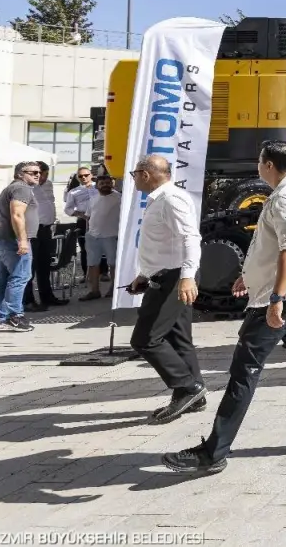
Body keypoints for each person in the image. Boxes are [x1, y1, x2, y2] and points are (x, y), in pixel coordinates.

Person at [164, 141, 286, 475]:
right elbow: (272, 245)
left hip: (283, 300)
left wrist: (275, 299)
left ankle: (213, 451)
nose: (257, 166)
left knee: (243, 371)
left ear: (269, 164)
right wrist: (248, 275)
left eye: (260, 160)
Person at [126, 155, 206, 424]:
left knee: (145, 339)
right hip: (165, 275)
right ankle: (196, 395)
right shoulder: (159, 199)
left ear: (146, 174)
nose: (134, 178)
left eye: (134, 174)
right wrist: (143, 275)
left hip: (174, 279)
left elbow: (190, 238)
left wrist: (187, 277)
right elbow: (163, 245)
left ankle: (187, 387)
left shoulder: (171, 199)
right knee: (178, 339)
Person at [0, 161, 42, 332]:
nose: (37, 174)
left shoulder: (11, 188)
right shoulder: (21, 188)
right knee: (20, 277)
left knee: (2, 280)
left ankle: (3, 319)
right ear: (20, 174)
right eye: (32, 172)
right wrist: (22, 240)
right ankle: (16, 316)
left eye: (39, 172)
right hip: (13, 241)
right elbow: (17, 214)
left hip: (2, 239)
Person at [25, 162, 67, 310]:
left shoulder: (48, 184)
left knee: (44, 266)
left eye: (45, 174)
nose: (42, 177)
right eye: (40, 174)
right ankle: (28, 301)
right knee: (29, 268)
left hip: (46, 229)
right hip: (31, 231)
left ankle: (47, 296)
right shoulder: (26, 186)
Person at [82, 174, 121, 306]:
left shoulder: (120, 198)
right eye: (102, 183)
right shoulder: (93, 198)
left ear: (112, 184)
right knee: (93, 264)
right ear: (97, 185)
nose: (105, 185)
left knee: (113, 264)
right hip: (93, 236)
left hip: (111, 235)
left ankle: (113, 289)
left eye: (107, 183)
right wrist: (88, 232)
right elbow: (88, 216)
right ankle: (95, 291)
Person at [64, 169, 100, 298]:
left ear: (91, 175)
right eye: (81, 176)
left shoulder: (99, 187)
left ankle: (104, 272)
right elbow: (68, 209)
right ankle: (87, 274)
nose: (84, 177)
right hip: (83, 220)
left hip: (101, 219)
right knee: (85, 248)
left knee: (103, 246)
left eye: (86, 175)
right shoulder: (73, 192)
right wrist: (80, 214)